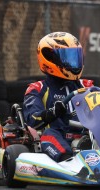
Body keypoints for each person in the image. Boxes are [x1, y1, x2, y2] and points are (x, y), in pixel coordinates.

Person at [23, 32, 93, 162]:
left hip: (86, 135)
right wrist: (52, 113)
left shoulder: (87, 86)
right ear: (50, 59)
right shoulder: (38, 89)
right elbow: (32, 119)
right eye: (67, 58)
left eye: (75, 57)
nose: (73, 63)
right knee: (49, 135)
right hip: (57, 136)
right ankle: (68, 161)